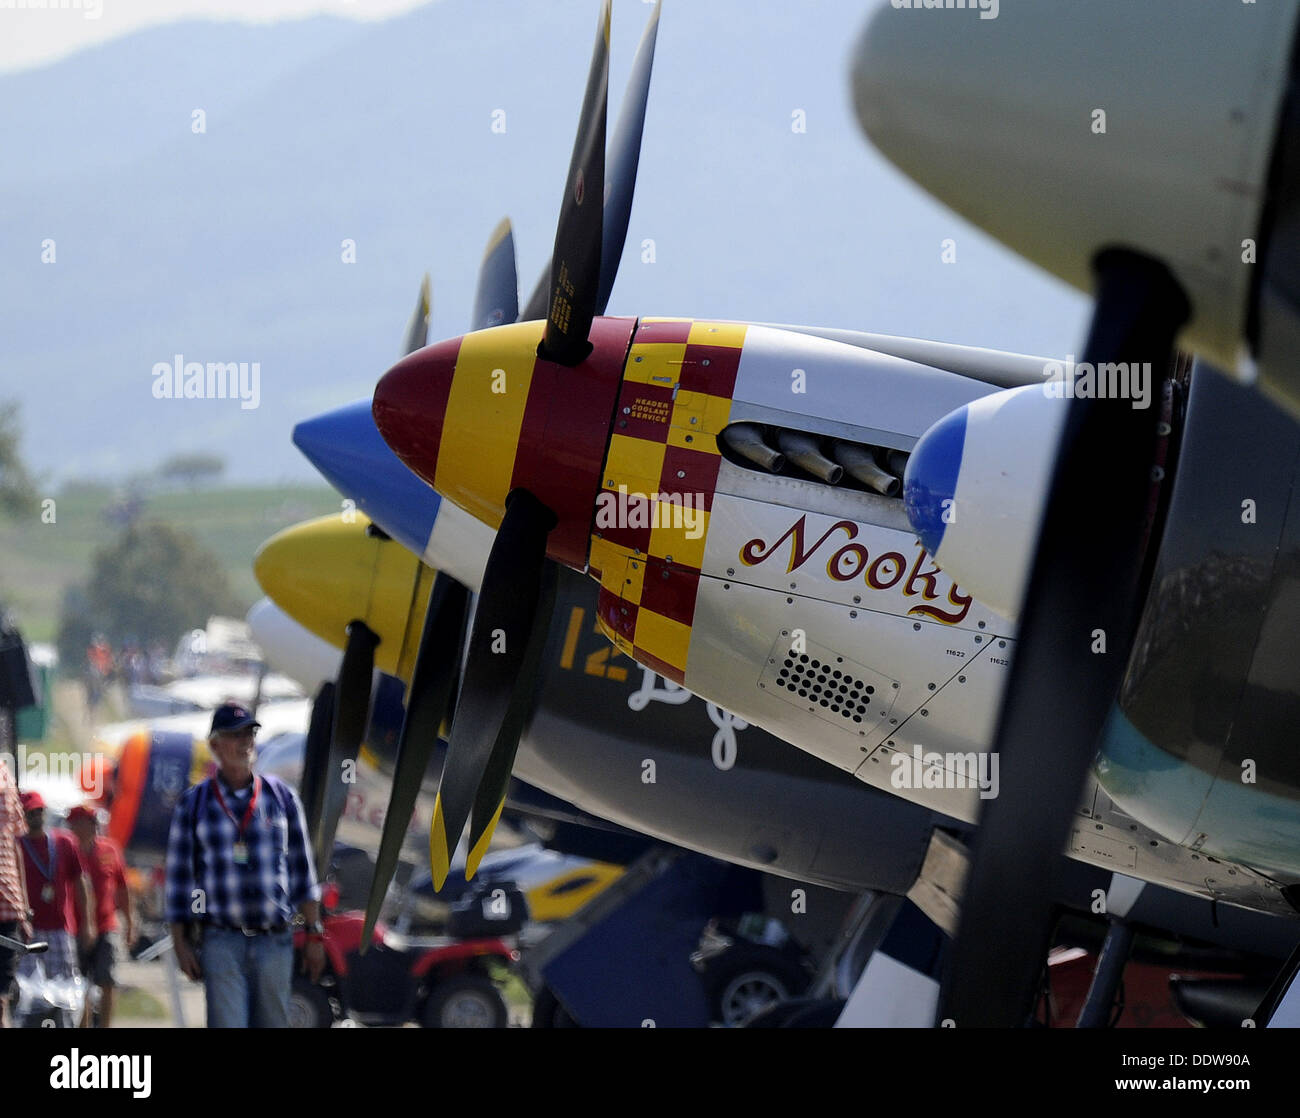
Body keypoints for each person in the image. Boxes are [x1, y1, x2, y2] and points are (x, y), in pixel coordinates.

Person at [165, 702, 324, 1027]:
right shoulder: (194, 804)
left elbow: (303, 873)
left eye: (249, 734)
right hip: (221, 940)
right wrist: (180, 943)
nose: (244, 742)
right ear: (214, 745)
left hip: (275, 941)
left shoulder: (282, 798)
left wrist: (314, 935)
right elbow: (179, 881)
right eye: (234, 735)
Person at [66, 804, 134, 1027]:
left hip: (107, 924)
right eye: (88, 822)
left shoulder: (110, 849)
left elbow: (123, 888)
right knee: (80, 982)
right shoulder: (67, 850)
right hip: (74, 927)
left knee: (107, 980)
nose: (94, 827)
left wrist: (130, 922)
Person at [18, 791, 92, 986]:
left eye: (39, 811)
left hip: (60, 927)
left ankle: (63, 1019)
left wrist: (87, 923)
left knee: (66, 984)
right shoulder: (17, 845)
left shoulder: (64, 842)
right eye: (31, 812)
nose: (36, 816)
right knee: (28, 988)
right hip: (28, 930)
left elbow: (80, 883)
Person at [0, 762, 31, 1028]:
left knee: (2, 996)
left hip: (8, 904)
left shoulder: (5, 774)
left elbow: (15, 844)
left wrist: (24, 911)